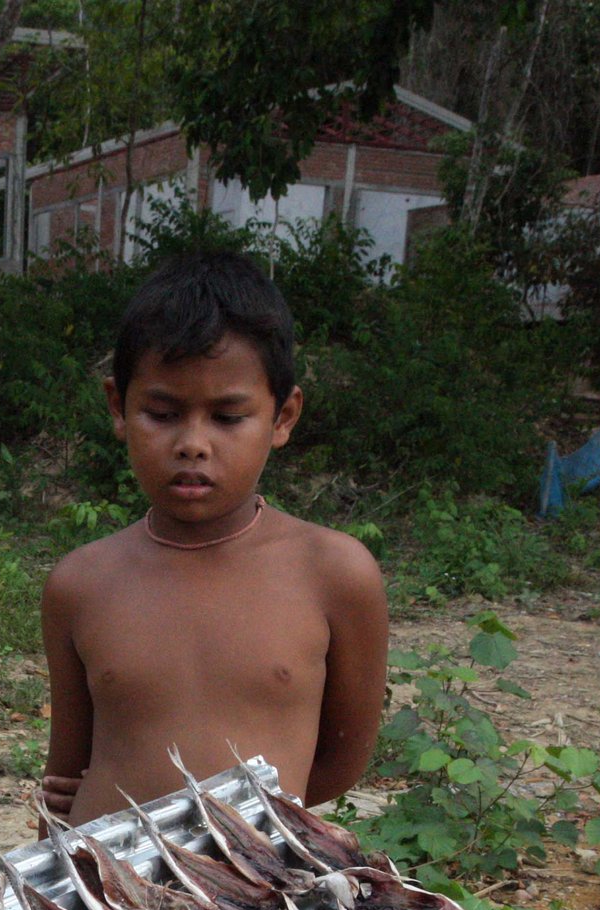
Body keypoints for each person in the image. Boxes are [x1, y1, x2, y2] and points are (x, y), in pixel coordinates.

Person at [38, 252, 389, 824]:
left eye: (227, 418)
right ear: (118, 408)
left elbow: (341, 758)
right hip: (103, 870)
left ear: (283, 417)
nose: (193, 444)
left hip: (256, 871)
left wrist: (234, 832)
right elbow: (66, 775)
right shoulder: (80, 583)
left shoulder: (334, 573)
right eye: (161, 413)